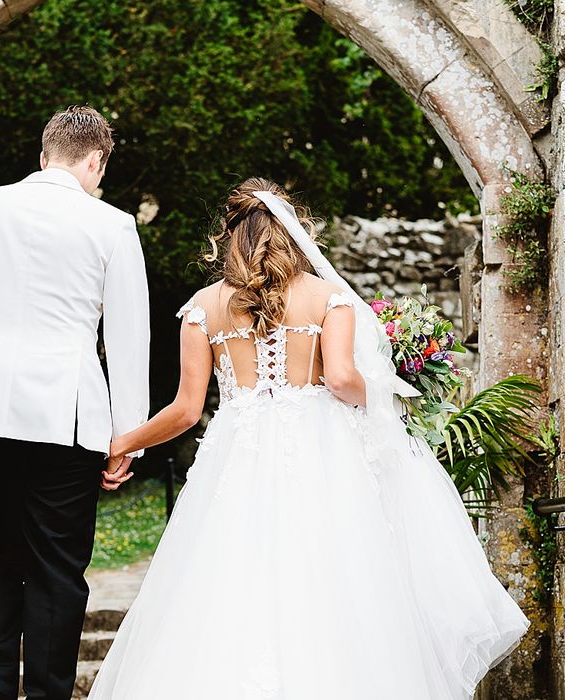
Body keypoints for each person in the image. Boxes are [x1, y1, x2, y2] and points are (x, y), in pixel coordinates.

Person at [87, 177, 530, 699]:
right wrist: (393, 395)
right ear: (293, 231)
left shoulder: (203, 306)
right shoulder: (328, 297)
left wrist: (121, 444)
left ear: (229, 235)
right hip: (322, 454)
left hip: (238, 453)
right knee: (333, 577)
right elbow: (342, 381)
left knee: (228, 579)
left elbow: (185, 410)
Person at [0, 105, 149, 700]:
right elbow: (127, 337)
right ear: (94, 162)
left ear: (43, 156)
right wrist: (127, 436)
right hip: (66, 418)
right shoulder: (112, 225)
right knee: (57, 570)